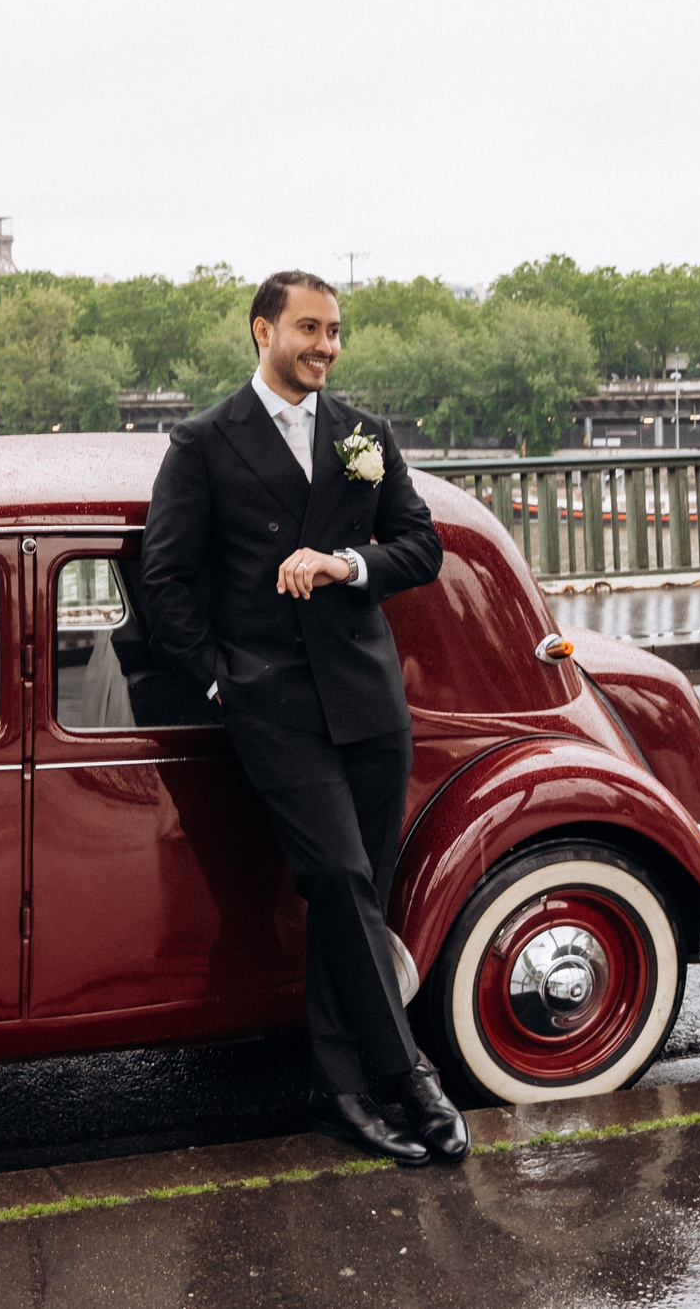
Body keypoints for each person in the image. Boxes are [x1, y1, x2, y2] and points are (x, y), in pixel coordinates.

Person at [139, 270, 468, 1165]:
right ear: (262, 332)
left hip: (368, 702)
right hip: (271, 705)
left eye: (335, 332)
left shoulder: (366, 435)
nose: (325, 346)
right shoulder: (204, 442)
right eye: (309, 330)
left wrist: (346, 565)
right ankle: (408, 1078)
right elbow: (163, 581)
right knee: (337, 881)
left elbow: (421, 546)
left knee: (351, 894)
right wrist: (220, 683)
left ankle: (337, 1089)